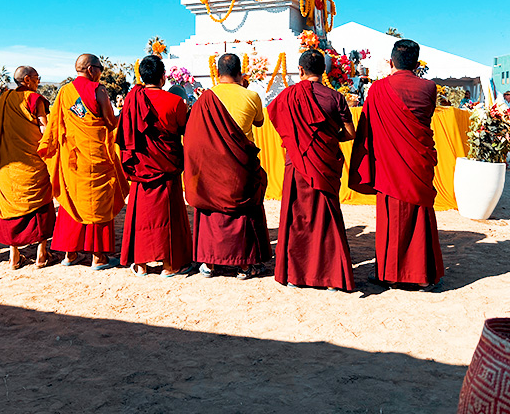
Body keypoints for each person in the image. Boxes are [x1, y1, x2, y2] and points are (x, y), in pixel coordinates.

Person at [349, 39, 444, 291]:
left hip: (389, 163)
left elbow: (366, 127)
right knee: (419, 215)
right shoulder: (429, 88)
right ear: (417, 63)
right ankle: (422, 274)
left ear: (391, 62)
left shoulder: (378, 89)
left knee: (392, 219)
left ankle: (389, 274)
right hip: (417, 161)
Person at [268, 50, 356, 291]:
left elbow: (284, 129)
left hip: (297, 164)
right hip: (324, 163)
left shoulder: (286, 97)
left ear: (300, 70)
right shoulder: (335, 97)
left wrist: (301, 143)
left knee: (297, 217)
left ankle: (295, 275)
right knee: (327, 217)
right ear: (324, 71)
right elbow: (350, 133)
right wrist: (328, 138)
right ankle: (331, 278)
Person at [184, 53, 271, 280]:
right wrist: (245, 88)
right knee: (243, 210)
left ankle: (209, 263)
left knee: (212, 210)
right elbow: (259, 122)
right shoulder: (251, 95)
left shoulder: (206, 98)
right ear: (240, 72)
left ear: (218, 73)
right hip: (239, 166)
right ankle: (243, 266)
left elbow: (193, 137)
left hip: (211, 168)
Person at [38, 54, 128, 271]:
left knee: (72, 202)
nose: (100, 72)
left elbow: (54, 125)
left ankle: (70, 253)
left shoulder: (64, 92)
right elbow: (109, 121)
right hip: (96, 156)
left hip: (73, 157)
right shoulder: (99, 90)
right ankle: (99, 257)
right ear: (90, 69)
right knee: (98, 204)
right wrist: (124, 114)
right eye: (99, 68)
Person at [116, 56, 192, 277]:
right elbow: (184, 129)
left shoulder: (131, 101)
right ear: (163, 77)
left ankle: (140, 264)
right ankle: (170, 265)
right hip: (166, 165)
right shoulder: (175, 102)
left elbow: (124, 133)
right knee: (169, 216)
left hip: (141, 165)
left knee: (141, 215)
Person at [0, 66, 56, 270]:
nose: (39, 81)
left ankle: (14, 256)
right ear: (28, 79)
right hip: (32, 161)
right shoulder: (34, 99)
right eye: (38, 78)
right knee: (41, 202)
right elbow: (44, 128)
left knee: (10, 204)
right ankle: (41, 254)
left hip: (8, 162)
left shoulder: (4, 99)